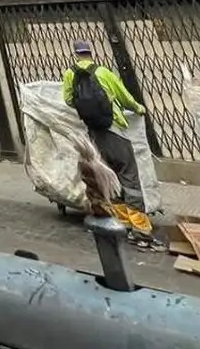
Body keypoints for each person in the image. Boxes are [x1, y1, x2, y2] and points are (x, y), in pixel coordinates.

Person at [61, 40, 161, 250]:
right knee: (129, 177)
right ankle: (141, 231)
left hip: (94, 135)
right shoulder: (103, 73)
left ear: (76, 54)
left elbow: (68, 100)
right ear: (90, 53)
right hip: (114, 131)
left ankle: (121, 223)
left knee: (110, 178)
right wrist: (138, 108)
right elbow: (124, 97)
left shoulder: (70, 74)